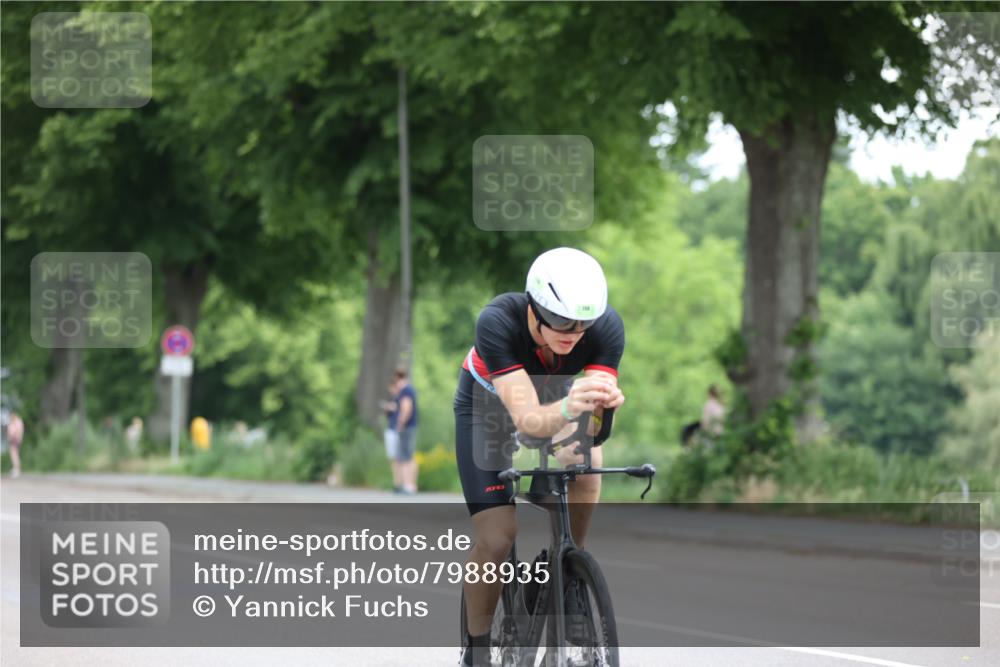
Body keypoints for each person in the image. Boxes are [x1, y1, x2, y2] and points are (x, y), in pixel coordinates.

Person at [454, 247, 625, 666]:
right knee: (496, 537)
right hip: (489, 407)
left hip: (555, 399)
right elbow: (529, 420)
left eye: (583, 322)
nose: (573, 332)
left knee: (587, 462)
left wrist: (605, 409)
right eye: (562, 320)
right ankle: (476, 650)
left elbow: (593, 425)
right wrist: (572, 407)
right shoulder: (497, 321)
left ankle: (568, 574)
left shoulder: (604, 329)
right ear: (534, 306)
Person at [383, 369, 419, 494]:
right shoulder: (408, 390)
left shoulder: (406, 390)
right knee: (404, 456)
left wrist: (400, 423)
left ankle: (409, 485)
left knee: (406, 456)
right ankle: (406, 485)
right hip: (409, 427)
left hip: (406, 427)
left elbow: (406, 408)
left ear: (399, 378)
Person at [6, 411, 24, 479]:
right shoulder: (12, 422)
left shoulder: (17, 421)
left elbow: (19, 431)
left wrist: (16, 437)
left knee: (14, 455)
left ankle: (17, 469)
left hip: (15, 439)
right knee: (14, 454)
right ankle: (16, 468)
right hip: (12, 439)